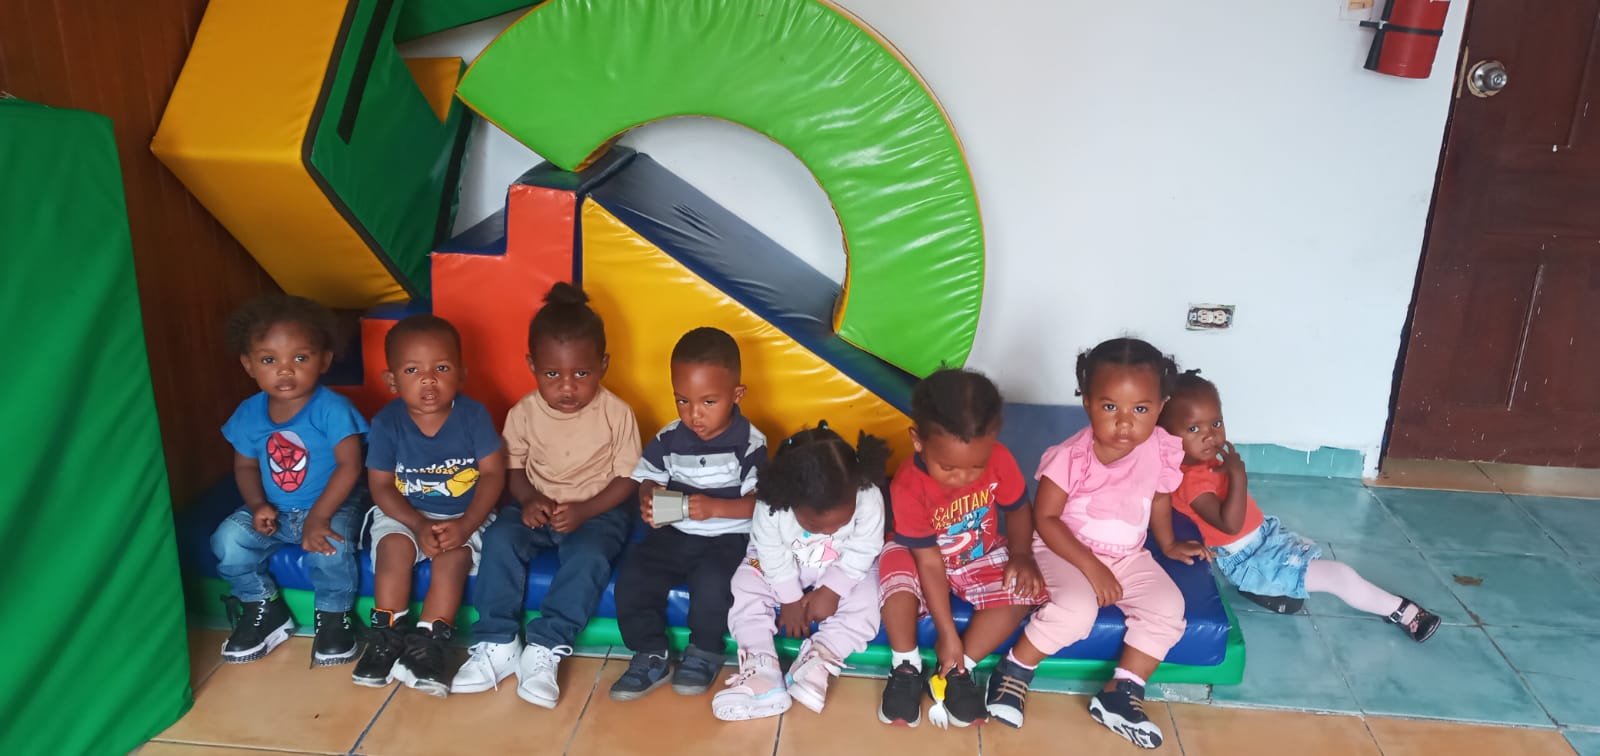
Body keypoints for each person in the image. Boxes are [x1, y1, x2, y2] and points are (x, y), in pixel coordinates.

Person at [997, 338, 1197, 748]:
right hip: (1063, 551)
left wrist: (1168, 543)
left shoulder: (1158, 448)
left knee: (1168, 608)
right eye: (1110, 407)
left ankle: (1121, 692)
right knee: (1077, 609)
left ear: (1160, 407)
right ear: (1087, 403)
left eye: (1140, 409)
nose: (1125, 423)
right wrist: (1092, 568)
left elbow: (1160, 498)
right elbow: (1045, 519)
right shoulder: (1070, 457)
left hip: (1127, 556)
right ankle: (1015, 669)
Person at [451, 283, 643, 707]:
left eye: (581, 374)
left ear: (603, 365)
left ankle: (545, 646)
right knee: (500, 538)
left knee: (590, 556)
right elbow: (514, 468)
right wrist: (528, 500)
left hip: (598, 510)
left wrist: (585, 510)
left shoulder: (617, 413)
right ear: (532, 366)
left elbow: (627, 480)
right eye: (552, 375)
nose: (567, 388)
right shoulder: (523, 413)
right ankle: (497, 642)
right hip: (536, 506)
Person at [1158, 370, 1439, 640]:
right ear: (1164, 433)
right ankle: (1403, 613)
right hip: (1250, 557)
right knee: (1340, 576)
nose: (1210, 436)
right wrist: (1238, 476)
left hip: (1263, 537)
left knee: (1307, 549)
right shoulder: (1189, 480)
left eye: (1216, 424)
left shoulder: (1202, 460)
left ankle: (1269, 590)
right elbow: (1230, 525)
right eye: (1193, 428)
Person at [876, 368, 1045, 729]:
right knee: (895, 575)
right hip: (921, 555)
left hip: (976, 552)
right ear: (918, 441)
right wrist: (947, 633)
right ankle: (905, 664)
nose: (963, 478)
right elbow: (929, 562)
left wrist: (1021, 555)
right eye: (948, 467)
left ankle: (956, 668)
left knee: (1024, 592)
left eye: (976, 466)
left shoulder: (1000, 458)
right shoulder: (908, 486)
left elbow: (1017, 508)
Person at [609, 327, 768, 701]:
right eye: (683, 401)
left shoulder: (750, 443)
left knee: (713, 583)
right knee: (634, 577)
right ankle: (650, 652)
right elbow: (647, 480)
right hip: (674, 532)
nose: (694, 414)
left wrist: (715, 508)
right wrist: (649, 499)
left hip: (728, 537)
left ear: (736, 394)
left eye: (708, 402)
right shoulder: (668, 438)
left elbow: (761, 503)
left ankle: (705, 651)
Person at [352, 315, 506, 697]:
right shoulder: (387, 423)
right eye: (412, 370)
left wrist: (466, 525)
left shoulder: (473, 416)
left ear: (461, 374)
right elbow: (381, 486)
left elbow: (492, 475)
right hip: (405, 514)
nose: (428, 380)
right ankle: (387, 635)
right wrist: (417, 525)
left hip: (465, 515)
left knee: (452, 560)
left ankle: (428, 643)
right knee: (392, 549)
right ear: (391, 380)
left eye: (441, 368)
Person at [210, 295, 367, 666]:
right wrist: (257, 505)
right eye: (269, 360)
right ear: (249, 365)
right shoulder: (248, 413)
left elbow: (350, 466)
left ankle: (334, 616)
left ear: (324, 360)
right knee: (227, 539)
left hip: (332, 504)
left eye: (300, 358)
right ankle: (262, 605)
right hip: (276, 510)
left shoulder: (333, 409)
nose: (285, 371)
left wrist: (319, 517)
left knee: (330, 548)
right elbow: (246, 467)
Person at [713, 424, 888, 721]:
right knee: (744, 584)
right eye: (816, 526)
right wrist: (790, 599)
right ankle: (762, 666)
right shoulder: (772, 502)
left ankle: (820, 657)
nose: (829, 531)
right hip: (780, 562)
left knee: (871, 595)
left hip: (843, 562)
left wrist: (833, 589)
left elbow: (865, 547)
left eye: (841, 523)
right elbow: (769, 551)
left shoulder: (866, 493)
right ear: (789, 502)